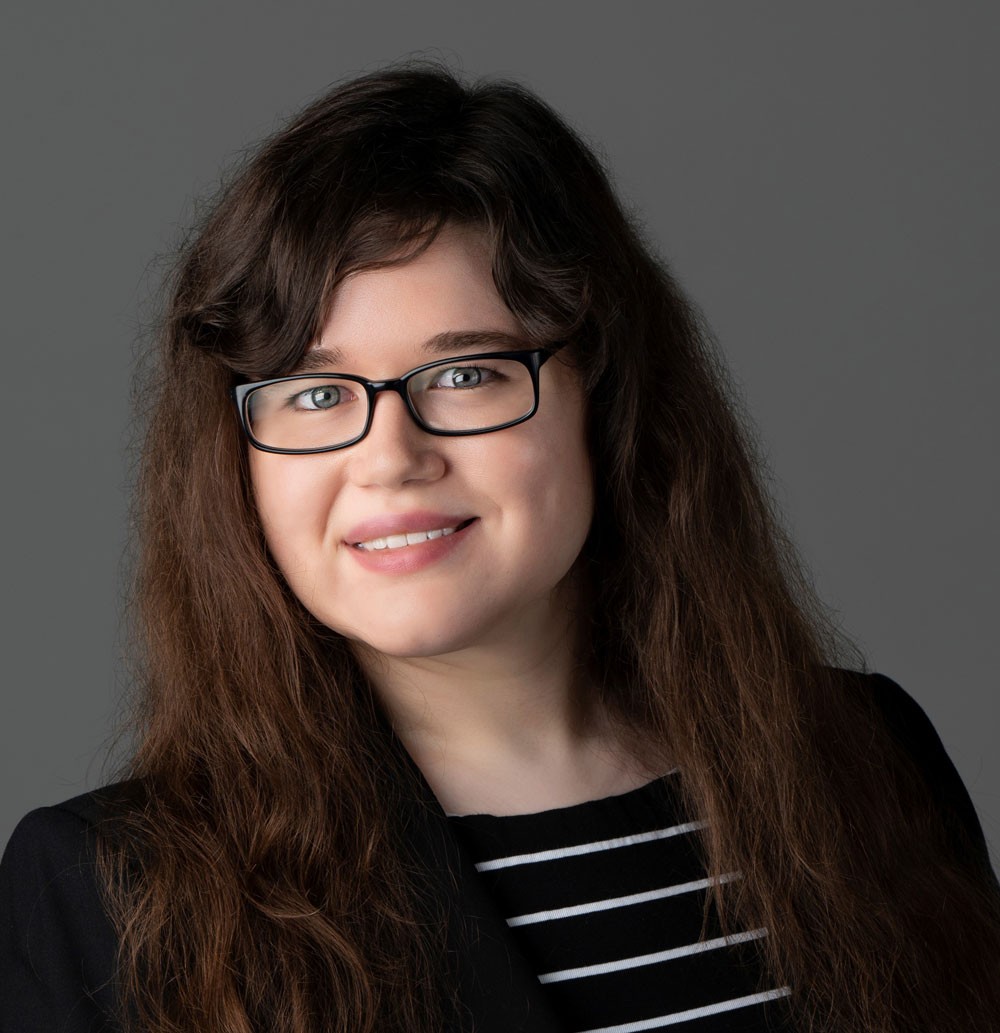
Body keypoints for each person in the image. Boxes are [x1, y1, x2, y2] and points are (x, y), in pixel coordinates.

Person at [1, 64, 998, 1033]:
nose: (389, 458)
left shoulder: (869, 761)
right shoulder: (110, 894)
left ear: (603, 399)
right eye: (315, 393)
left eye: (465, 375)